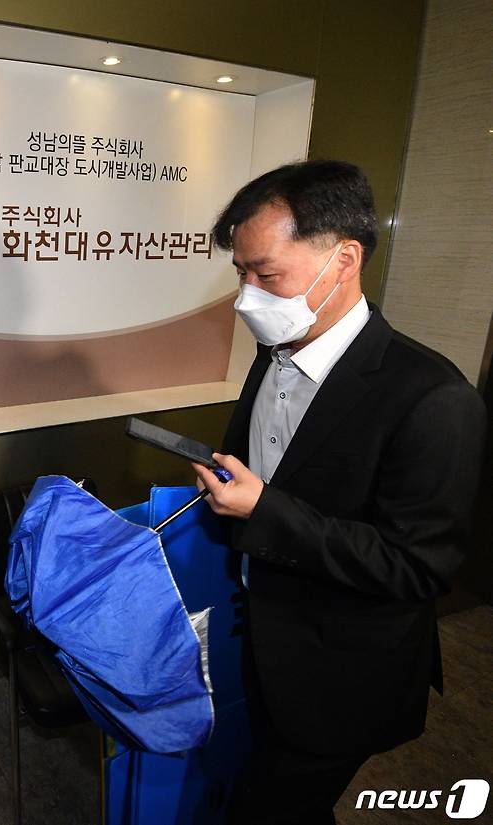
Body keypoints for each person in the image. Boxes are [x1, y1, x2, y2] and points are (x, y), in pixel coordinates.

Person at [192, 160, 487, 825]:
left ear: (344, 260)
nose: (246, 298)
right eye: (240, 274)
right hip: (260, 633)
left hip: (341, 672)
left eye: (266, 275)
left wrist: (264, 509)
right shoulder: (275, 351)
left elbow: (417, 566)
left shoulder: (434, 398)